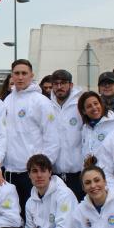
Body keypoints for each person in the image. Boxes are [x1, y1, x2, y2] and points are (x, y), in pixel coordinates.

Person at [3, 59, 59, 212]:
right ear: (12, 76)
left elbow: (52, 137)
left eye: (24, 73)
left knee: (35, 214)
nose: (20, 77)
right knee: (15, 215)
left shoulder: (41, 102)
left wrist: (43, 168)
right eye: (16, 73)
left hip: (32, 173)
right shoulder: (7, 101)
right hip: (10, 172)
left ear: (31, 75)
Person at [50, 70, 84, 200]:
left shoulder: (79, 106)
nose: (59, 87)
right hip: (55, 174)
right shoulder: (47, 106)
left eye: (63, 83)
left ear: (71, 85)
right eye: (56, 83)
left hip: (77, 174)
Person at [78, 91, 114, 166]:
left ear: (101, 104)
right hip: (89, 173)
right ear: (84, 111)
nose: (94, 108)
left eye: (96, 103)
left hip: (108, 174)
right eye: (89, 106)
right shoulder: (85, 128)